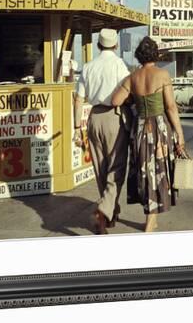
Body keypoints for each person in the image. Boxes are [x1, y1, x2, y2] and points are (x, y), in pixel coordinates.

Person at [111, 36, 185, 233]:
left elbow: (116, 100)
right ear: (156, 54)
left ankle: (150, 216)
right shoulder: (162, 75)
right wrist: (180, 135)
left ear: (138, 56)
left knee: (144, 171)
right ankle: (150, 220)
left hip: (140, 127)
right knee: (158, 171)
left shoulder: (133, 77)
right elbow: (170, 107)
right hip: (159, 127)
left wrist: (133, 101)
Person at [73, 28, 131, 234]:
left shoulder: (88, 67)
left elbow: (79, 99)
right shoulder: (118, 65)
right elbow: (128, 90)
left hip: (93, 117)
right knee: (117, 167)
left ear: (99, 45)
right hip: (113, 116)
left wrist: (76, 127)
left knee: (100, 167)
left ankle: (110, 212)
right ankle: (103, 211)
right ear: (115, 45)